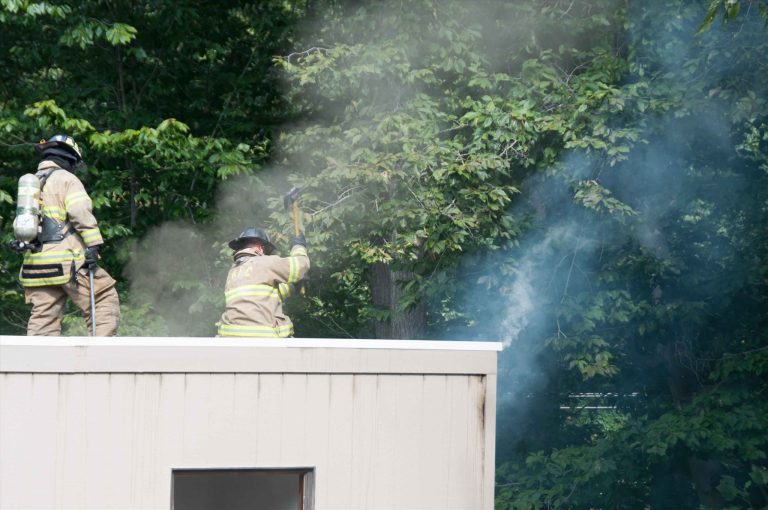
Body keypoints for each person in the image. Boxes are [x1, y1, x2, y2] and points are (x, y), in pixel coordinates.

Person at [14, 134, 120, 336]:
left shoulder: (31, 184)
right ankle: (103, 358)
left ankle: (38, 366)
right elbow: (79, 212)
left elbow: (20, 223)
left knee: (43, 320)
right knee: (103, 298)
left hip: (35, 268)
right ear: (71, 158)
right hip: (66, 262)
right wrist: (93, 244)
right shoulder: (67, 179)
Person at [218, 226, 309, 337]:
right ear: (261, 247)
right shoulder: (265, 262)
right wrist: (298, 245)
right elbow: (301, 265)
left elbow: (266, 294)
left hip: (230, 338)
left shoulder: (233, 271)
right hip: (263, 339)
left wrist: (293, 287)